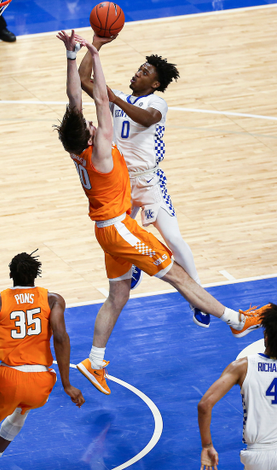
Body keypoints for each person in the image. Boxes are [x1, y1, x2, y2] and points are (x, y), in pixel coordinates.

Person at [55, 29, 269, 397]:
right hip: (121, 227)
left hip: (108, 226)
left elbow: (76, 97)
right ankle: (236, 320)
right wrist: (95, 54)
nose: (92, 123)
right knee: (178, 276)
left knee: (118, 295)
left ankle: (94, 360)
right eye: (91, 126)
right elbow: (101, 104)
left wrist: (74, 57)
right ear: (91, 136)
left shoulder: (78, 149)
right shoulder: (102, 149)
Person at [78, 33, 210, 329]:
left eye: (145, 72)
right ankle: (135, 265)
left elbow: (147, 119)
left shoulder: (157, 103)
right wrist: (95, 44)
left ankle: (198, 296)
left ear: (155, 84)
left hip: (149, 182)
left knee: (173, 238)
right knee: (117, 237)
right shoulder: (118, 99)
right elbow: (84, 78)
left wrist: (112, 98)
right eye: (139, 68)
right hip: (120, 182)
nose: (138, 72)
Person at [0, 251, 84, 470]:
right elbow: (60, 337)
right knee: (22, 410)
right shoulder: (53, 300)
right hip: (41, 380)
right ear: (36, 274)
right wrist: (67, 384)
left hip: (8, 377)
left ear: (11, 274)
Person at [198, 302, 277, 470]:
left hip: (259, 457)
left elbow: (205, 405)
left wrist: (207, 445)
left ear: (266, 337)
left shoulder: (242, 366)